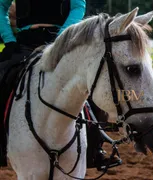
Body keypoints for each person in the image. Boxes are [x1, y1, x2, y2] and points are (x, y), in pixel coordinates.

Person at [0, 0, 120, 170]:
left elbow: (78, 6)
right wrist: (9, 39)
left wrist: (62, 37)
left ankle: (95, 149)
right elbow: (1, 6)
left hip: (62, 41)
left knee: (88, 82)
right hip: (24, 44)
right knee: (2, 76)